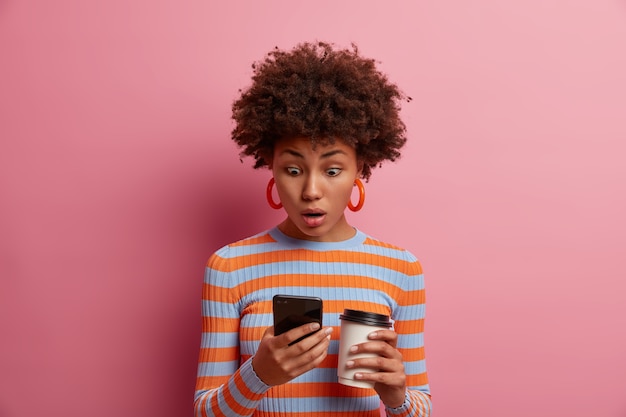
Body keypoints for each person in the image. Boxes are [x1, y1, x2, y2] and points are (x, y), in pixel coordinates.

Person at [194, 41, 431, 417]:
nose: (311, 191)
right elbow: (204, 413)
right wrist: (259, 375)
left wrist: (397, 396)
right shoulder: (228, 267)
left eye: (333, 170)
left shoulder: (401, 269)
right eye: (293, 169)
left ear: (360, 169)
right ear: (270, 166)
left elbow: (421, 406)